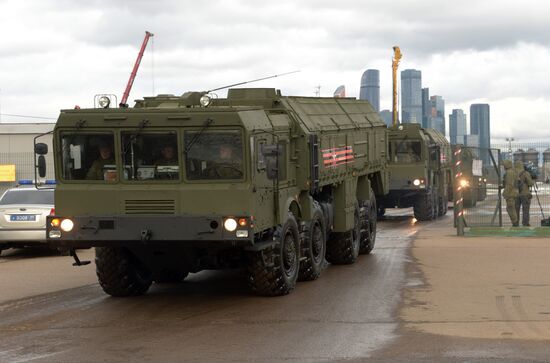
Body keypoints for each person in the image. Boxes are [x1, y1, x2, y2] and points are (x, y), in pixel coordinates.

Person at [515, 160, 534, 226]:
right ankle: (525, 223)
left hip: (516, 194)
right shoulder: (525, 173)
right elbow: (530, 183)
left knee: (516, 209)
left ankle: (515, 223)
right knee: (525, 209)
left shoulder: (513, 173)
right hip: (525, 194)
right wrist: (532, 179)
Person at [502, 159, 519, 227]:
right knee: (510, 208)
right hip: (512, 192)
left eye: (504, 165)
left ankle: (515, 223)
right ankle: (515, 222)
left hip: (511, 193)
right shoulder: (512, 171)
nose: (503, 166)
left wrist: (505, 193)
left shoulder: (509, 172)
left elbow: (509, 184)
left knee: (510, 208)